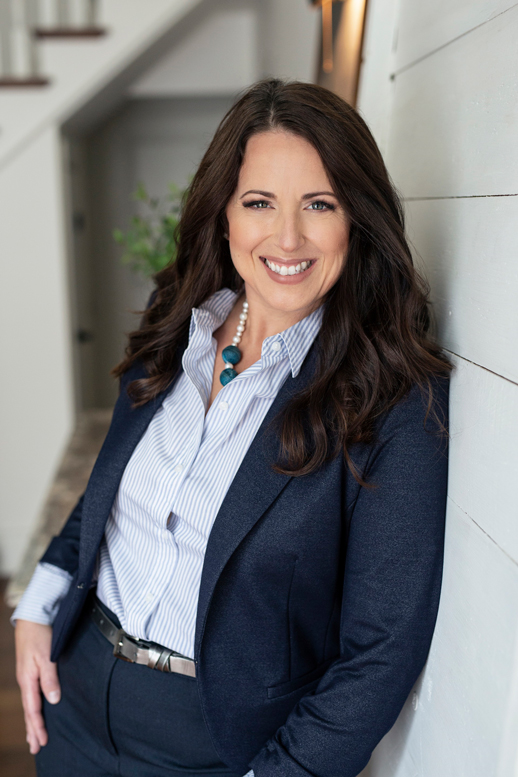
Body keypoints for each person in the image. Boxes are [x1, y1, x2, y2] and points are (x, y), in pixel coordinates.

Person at [14, 79, 451, 777]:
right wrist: (38, 605)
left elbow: (381, 651)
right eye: (259, 203)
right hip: (78, 693)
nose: (287, 237)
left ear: (356, 220)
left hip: (218, 743)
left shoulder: (393, 396)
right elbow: (111, 492)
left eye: (319, 204)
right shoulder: (177, 321)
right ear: (224, 215)